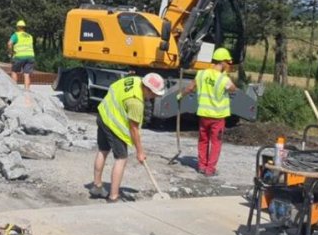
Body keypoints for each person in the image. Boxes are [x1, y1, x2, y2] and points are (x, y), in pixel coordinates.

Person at [90, 72, 166, 203]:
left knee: (103, 150)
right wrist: (140, 152)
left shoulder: (134, 80)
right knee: (121, 158)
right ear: (147, 89)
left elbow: (114, 87)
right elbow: (134, 129)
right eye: (153, 94)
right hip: (114, 125)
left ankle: (97, 186)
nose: (154, 97)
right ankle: (113, 197)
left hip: (103, 114)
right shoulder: (136, 102)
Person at [177, 47, 237, 176]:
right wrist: (225, 76)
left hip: (204, 115)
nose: (229, 66)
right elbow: (233, 89)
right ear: (223, 62)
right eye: (228, 63)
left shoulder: (202, 74)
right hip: (218, 117)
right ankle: (210, 169)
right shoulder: (223, 79)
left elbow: (190, 87)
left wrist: (180, 95)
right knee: (216, 143)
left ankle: (201, 166)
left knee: (203, 140)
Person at [7, 20, 35, 90]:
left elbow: (9, 44)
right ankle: (27, 91)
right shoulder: (30, 36)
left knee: (14, 71)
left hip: (19, 56)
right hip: (30, 56)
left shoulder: (16, 35)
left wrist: (11, 53)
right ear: (24, 27)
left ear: (17, 27)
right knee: (27, 74)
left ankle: (14, 89)